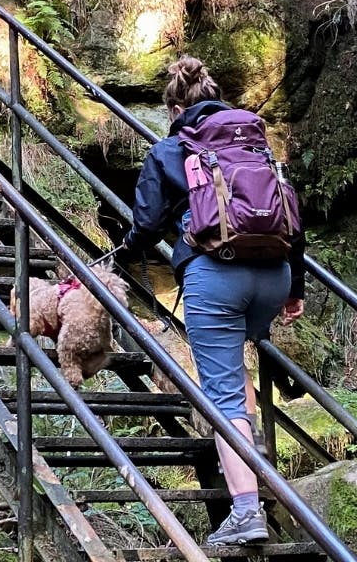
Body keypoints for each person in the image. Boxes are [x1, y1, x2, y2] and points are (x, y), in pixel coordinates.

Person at [120, 55, 305, 546]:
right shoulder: (253, 141)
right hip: (275, 275)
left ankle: (246, 511)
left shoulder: (171, 149)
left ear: (175, 106)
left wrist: (129, 249)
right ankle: (258, 464)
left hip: (216, 274)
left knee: (221, 401)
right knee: (232, 368)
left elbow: (146, 224)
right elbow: (288, 208)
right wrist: (297, 289)